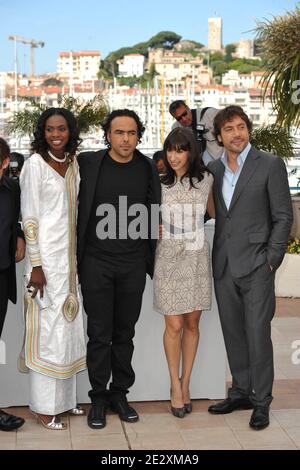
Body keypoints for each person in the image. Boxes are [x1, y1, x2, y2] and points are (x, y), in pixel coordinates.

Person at [207, 105, 293, 430]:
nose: (236, 134)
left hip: (258, 265)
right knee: (233, 333)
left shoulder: (269, 164)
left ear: (248, 130)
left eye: (241, 126)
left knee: (258, 335)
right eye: (229, 129)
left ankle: (261, 402)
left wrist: (271, 261)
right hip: (224, 264)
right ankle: (241, 391)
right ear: (219, 136)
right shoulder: (213, 170)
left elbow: (284, 216)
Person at [77, 109, 161, 429]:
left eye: (131, 133)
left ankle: (119, 393)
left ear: (138, 134)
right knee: (99, 334)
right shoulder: (89, 163)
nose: (125, 138)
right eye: (119, 133)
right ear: (108, 135)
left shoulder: (147, 167)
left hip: (132, 264)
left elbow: (154, 208)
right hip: (96, 262)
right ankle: (98, 397)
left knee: (125, 333)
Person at [20, 108, 86, 430]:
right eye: (50, 130)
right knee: (47, 334)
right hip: (43, 265)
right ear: (42, 133)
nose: (56, 135)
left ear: (69, 131)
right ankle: (44, 407)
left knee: (68, 330)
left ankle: (66, 401)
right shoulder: (34, 165)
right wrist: (35, 265)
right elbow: (29, 217)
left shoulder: (72, 164)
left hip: (68, 264)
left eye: (61, 129)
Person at [153, 127, 215, 418]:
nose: (174, 156)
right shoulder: (158, 182)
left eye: (180, 149)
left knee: (191, 324)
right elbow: (143, 217)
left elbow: (215, 214)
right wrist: (154, 227)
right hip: (167, 257)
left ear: (191, 151)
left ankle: (186, 384)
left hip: (196, 256)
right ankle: (174, 387)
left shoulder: (207, 180)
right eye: (170, 149)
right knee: (173, 326)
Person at [0, 138, 26, 432]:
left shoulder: (12, 190)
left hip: (1, 275)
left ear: (4, 162)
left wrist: (19, 233)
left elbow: (18, 219)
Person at [169, 100, 223, 164]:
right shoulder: (176, 128)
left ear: (188, 109)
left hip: (221, 157)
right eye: (179, 118)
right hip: (196, 163)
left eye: (184, 114)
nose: (184, 119)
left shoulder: (210, 114)